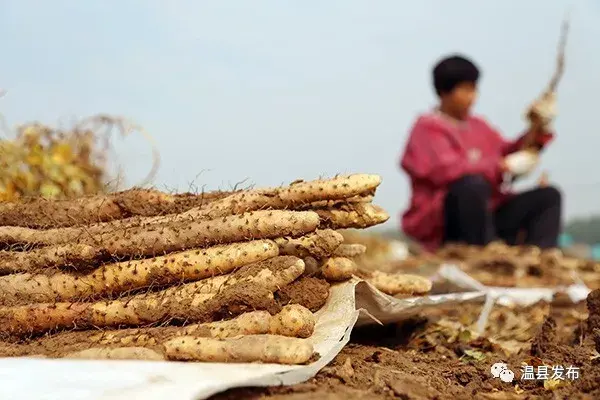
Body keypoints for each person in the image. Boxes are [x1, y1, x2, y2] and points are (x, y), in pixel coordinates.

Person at [399, 54, 561, 252]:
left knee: (549, 197)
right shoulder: (426, 128)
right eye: (466, 89)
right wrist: (501, 167)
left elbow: (508, 151)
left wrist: (538, 129)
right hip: (447, 222)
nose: (472, 96)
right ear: (445, 92)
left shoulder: (479, 126)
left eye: (474, 89)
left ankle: (540, 260)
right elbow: (446, 170)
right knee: (471, 186)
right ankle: (481, 256)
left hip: (490, 214)